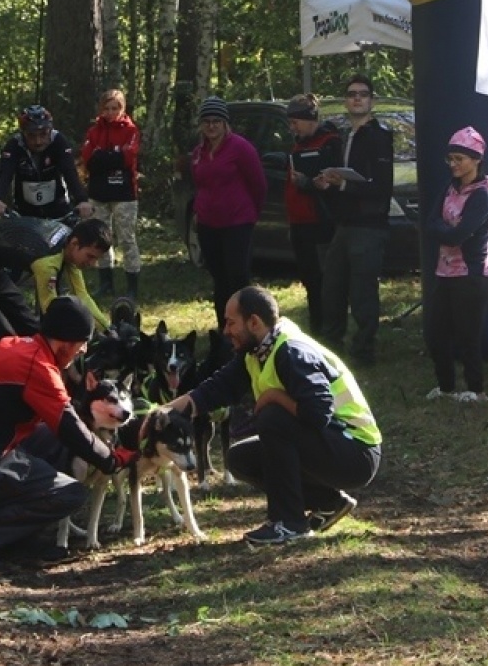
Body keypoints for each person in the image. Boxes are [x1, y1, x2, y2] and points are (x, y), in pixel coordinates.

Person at [162, 286, 380, 547]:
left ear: (254, 322)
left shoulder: (291, 352)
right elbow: (212, 391)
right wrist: (159, 415)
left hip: (357, 453)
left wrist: (273, 397)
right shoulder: (257, 351)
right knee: (240, 458)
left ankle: (289, 524)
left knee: (273, 418)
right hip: (333, 445)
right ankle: (328, 502)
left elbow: (317, 414)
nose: (225, 331)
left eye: (231, 322)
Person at [0, 297, 134, 564]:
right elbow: (70, 427)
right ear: (67, 342)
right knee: (70, 493)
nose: (82, 352)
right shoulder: (38, 368)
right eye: (82, 344)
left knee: (51, 443)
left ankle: (15, 542)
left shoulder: (16, 346)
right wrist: (112, 459)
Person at [315, 74, 394, 363]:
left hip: (369, 226)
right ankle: (331, 347)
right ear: (345, 101)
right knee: (332, 287)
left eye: (362, 94)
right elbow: (339, 185)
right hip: (343, 225)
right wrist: (326, 184)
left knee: (362, 291)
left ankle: (363, 351)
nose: (357, 98)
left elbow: (383, 186)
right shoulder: (343, 136)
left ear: (371, 101)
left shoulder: (380, 136)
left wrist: (345, 185)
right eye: (351, 94)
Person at [421, 127, 488, 404]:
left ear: (476, 159)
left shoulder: (483, 195)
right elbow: (429, 223)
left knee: (467, 336)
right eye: (450, 159)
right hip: (445, 272)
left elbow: (457, 235)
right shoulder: (450, 187)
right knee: (435, 333)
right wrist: (446, 230)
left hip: (471, 275)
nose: (453, 165)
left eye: (459, 159)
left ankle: (476, 390)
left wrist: (446, 230)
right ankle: (446, 386)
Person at [188, 96, 265, 357]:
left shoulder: (240, 148)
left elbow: (258, 184)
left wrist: (251, 214)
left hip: (237, 222)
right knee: (219, 280)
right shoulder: (199, 152)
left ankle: (250, 332)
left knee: (238, 279)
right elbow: (199, 185)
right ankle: (226, 334)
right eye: (207, 122)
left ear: (225, 124)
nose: (211, 127)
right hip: (209, 224)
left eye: (216, 122)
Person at [283, 94, 342, 333]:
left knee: (324, 280)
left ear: (310, 120)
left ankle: (329, 328)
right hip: (299, 224)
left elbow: (332, 184)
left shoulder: (331, 143)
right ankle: (317, 325)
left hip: (320, 222)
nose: (292, 127)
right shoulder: (298, 144)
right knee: (309, 278)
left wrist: (307, 182)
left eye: (295, 122)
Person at [78, 89, 142, 300]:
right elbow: (88, 158)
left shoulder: (131, 130)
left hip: (124, 193)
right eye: (107, 108)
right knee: (101, 237)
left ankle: (132, 284)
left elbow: (127, 157)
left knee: (126, 238)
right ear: (101, 109)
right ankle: (106, 282)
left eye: (115, 108)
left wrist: (104, 156)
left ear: (122, 109)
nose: (111, 112)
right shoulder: (93, 131)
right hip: (98, 192)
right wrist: (110, 155)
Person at [0, 105, 91, 221]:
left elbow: (70, 172)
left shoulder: (58, 141)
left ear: (50, 130)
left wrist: (82, 200)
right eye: (31, 135)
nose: (38, 141)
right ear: (23, 133)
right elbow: (4, 175)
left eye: (43, 134)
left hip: (58, 211)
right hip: (24, 214)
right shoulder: (14, 145)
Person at [31, 218, 114, 332]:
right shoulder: (48, 264)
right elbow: (50, 310)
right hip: (0, 266)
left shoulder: (70, 246)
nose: (93, 264)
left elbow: (82, 295)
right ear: (74, 244)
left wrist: (107, 329)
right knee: (25, 326)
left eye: (97, 258)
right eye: (90, 256)